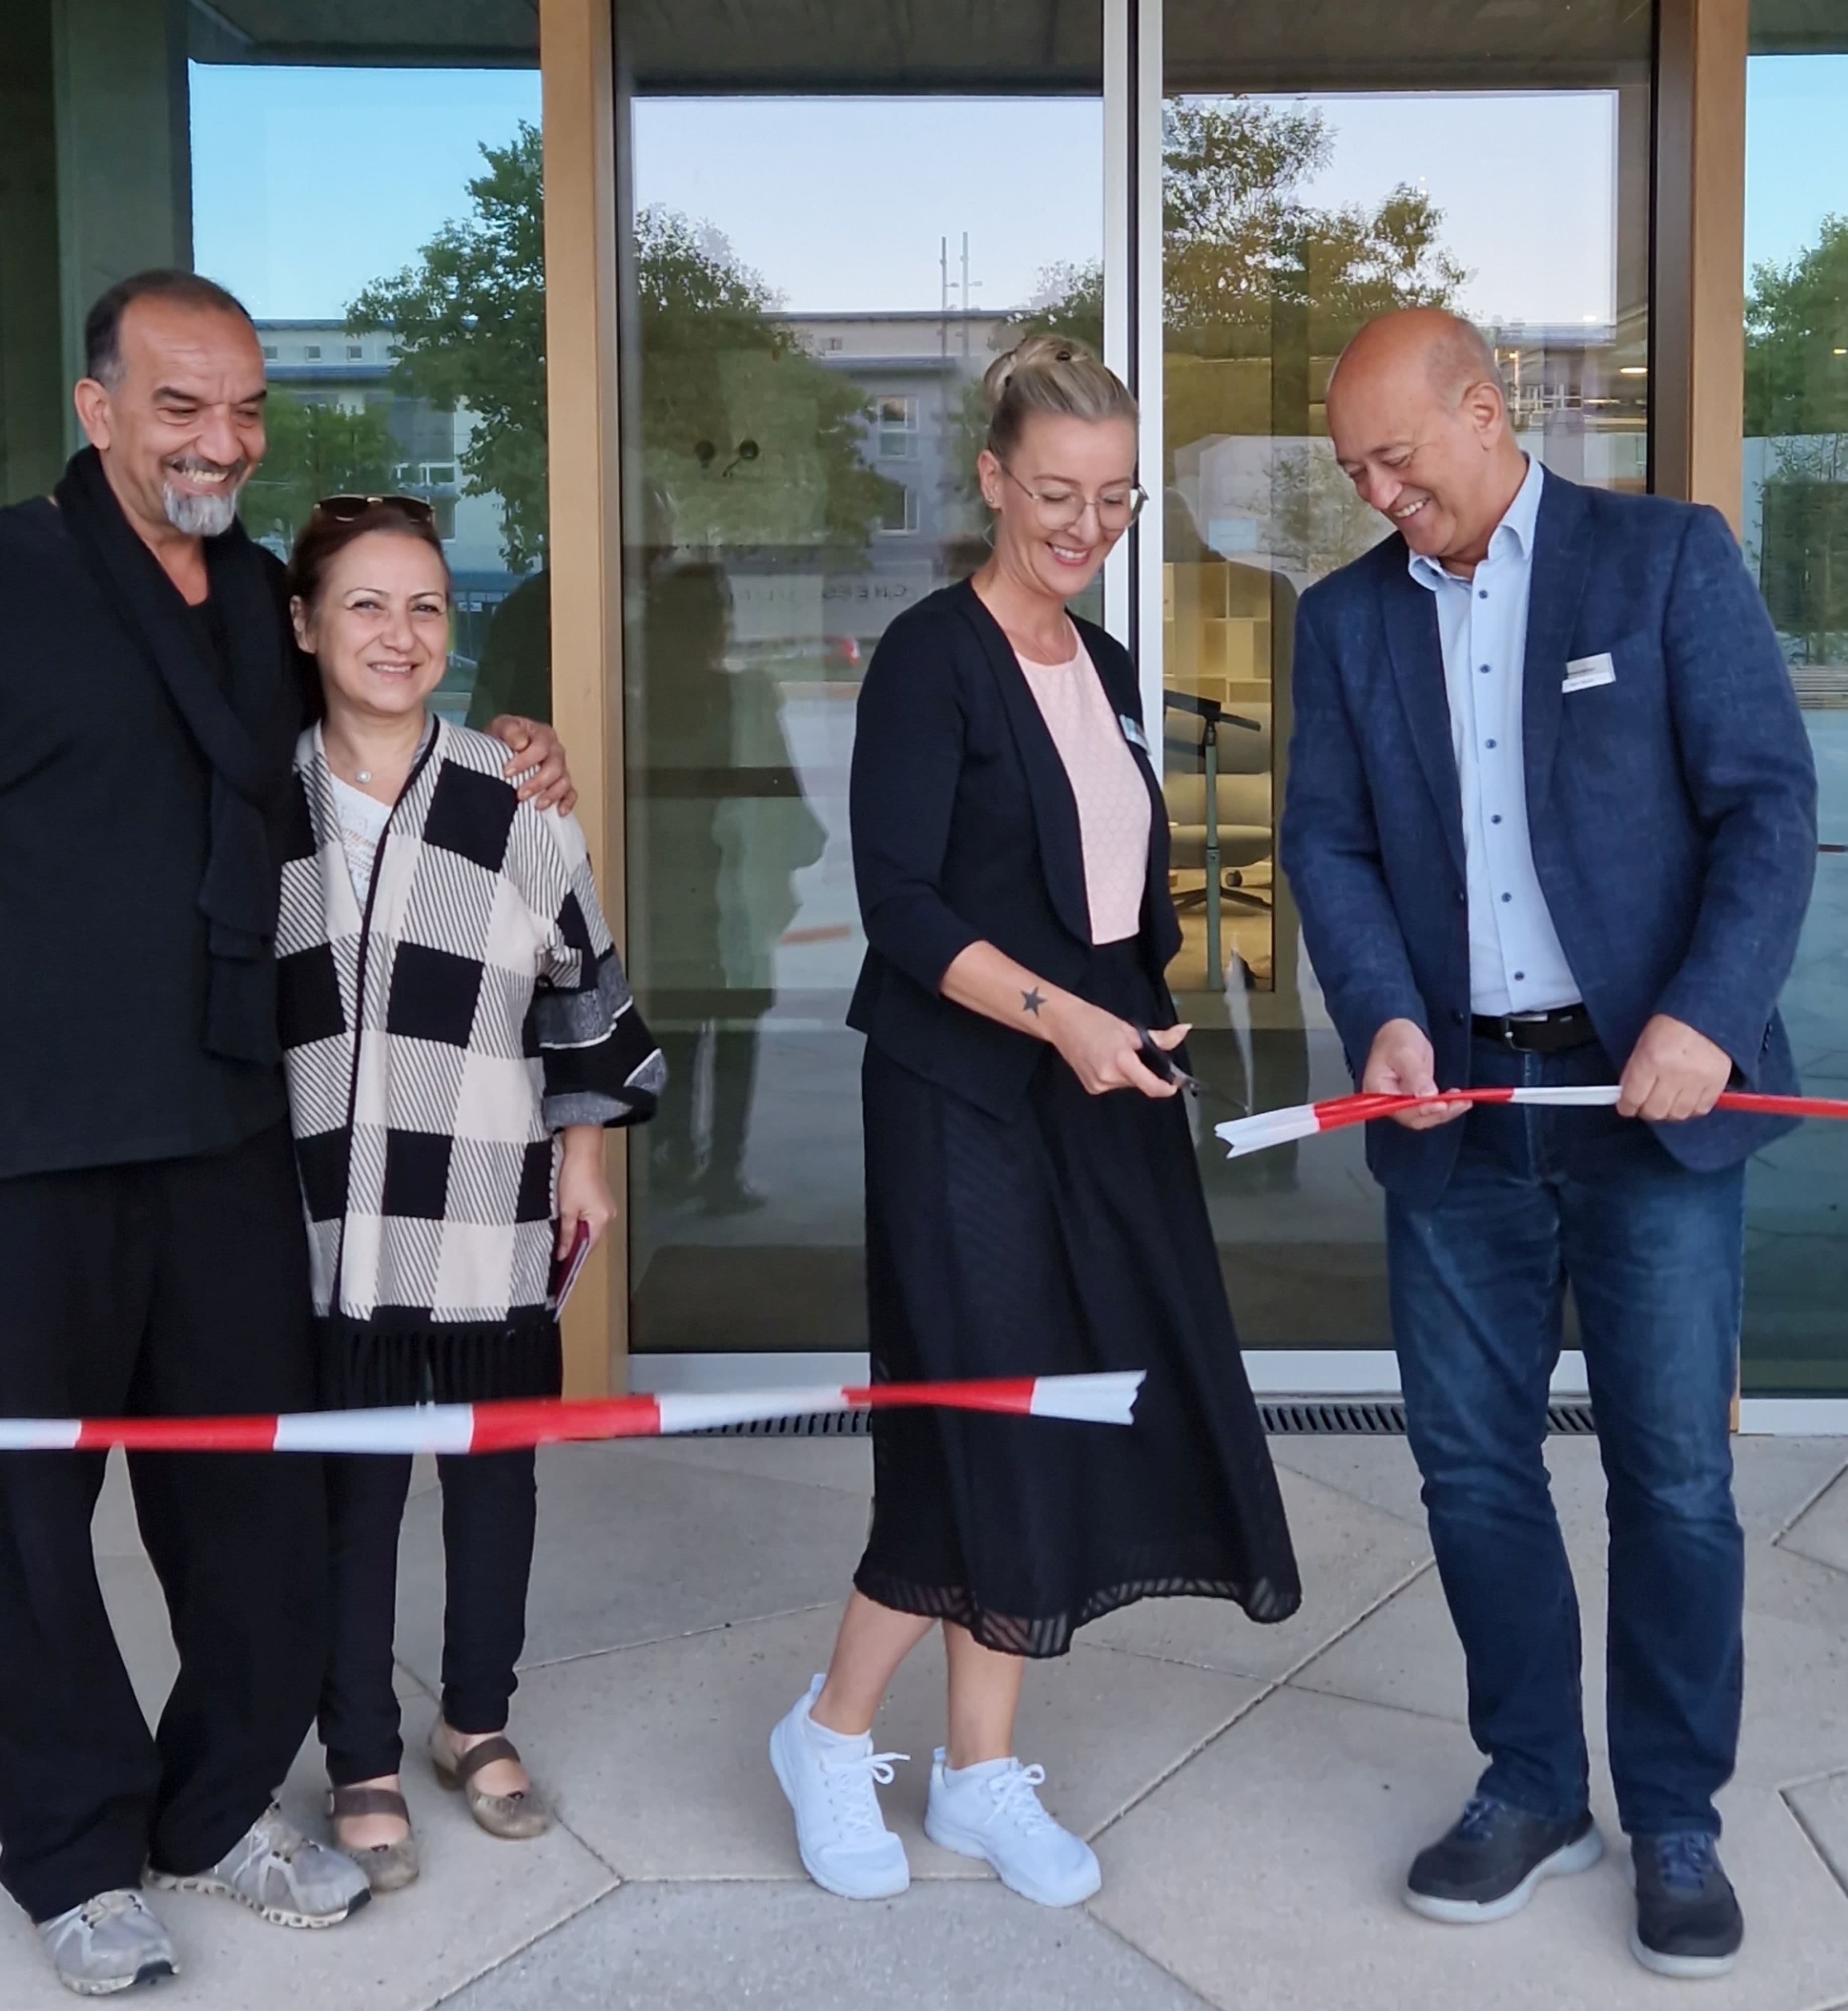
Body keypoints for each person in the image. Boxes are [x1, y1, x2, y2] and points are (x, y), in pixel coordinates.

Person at [0, 268, 575, 1996]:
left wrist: (514, 751)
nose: (219, 441)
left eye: (244, 408)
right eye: (180, 406)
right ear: (97, 406)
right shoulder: (10, 580)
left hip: (240, 1118)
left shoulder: (263, 599)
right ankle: (73, 1846)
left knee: (250, 1505)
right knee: (31, 1522)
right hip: (32, 1132)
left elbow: (371, 737)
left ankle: (216, 1804)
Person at [1279, 307, 1817, 1979]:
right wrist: (1378, 1016)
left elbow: (1764, 806)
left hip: (1647, 1100)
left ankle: (1671, 1811)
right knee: (1468, 1470)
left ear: (1485, 408)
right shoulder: (1345, 621)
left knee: (1670, 1476)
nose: (1375, 493)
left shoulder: (1660, 562)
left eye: (1397, 457)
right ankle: (1529, 1782)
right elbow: (1331, 844)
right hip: (1456, 1114)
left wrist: (1703, 1017)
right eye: (1351, 467)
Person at [769, 335, 1301, 1908]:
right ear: (992, 479)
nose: (1083, 523)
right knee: (973, 1419)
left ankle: (980, 1770)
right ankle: (834, 1727)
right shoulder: (937, 655)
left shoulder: (1110, 663)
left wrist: (1135, 999)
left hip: (1092, 1093)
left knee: (1063, 1414)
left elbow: (1106, 896)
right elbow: (903, 908)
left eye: (1115, 497)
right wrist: (1059, 1015)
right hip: (965, 1098)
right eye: (1054, 491)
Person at [277, 497, 662, 1892]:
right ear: (306, 625)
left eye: (426, 607)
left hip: (489, 1208)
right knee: (353, 1500)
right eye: (366, 606)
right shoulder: (264, 799)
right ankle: (361, 1756)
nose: (398, 634)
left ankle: (475, 1722)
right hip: (330, 1222)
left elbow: (585, 995)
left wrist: (588, 1163)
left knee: (495, 1486)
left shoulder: (517, 801)